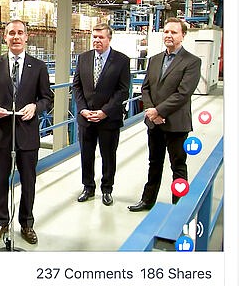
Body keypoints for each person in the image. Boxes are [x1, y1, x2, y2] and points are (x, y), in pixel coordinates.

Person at [0, 19, 53, 245]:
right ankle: (2, 221)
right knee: (0, 181)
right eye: (11, 33)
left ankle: (26, 223)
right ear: (5, 37)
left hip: (27, 135)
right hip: (2, 134)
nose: (16, 37)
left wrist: (36, 107)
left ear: (26, 37)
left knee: (29, 181)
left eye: (20, 33)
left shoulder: (38, 66)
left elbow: (47, 98)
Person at [128, 17, 200, 212]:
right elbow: (146, 88)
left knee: (178, 166)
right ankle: (147, 200)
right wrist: (152, 113)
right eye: (166, 31)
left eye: (174, 32)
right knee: (154, 163)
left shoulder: (192, 62)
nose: (169, 35)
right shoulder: (154, 59)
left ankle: (179, 207)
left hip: (176, 124)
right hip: (155, 123)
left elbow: (183, 93)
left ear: (182, 36)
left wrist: (159, 111)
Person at [72, 23, 130, 206]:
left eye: (101, 37)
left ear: (109, 39)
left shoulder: (121, 60)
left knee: (108, 155)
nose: (97, 40)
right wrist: (82, 109)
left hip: (109, 120)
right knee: (86, 155)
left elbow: (122, 91)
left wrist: (105, 111)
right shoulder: (83, 58)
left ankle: (107, 189)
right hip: (86, 118)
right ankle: (88, 187)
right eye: (94, 37)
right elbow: (77, 86)